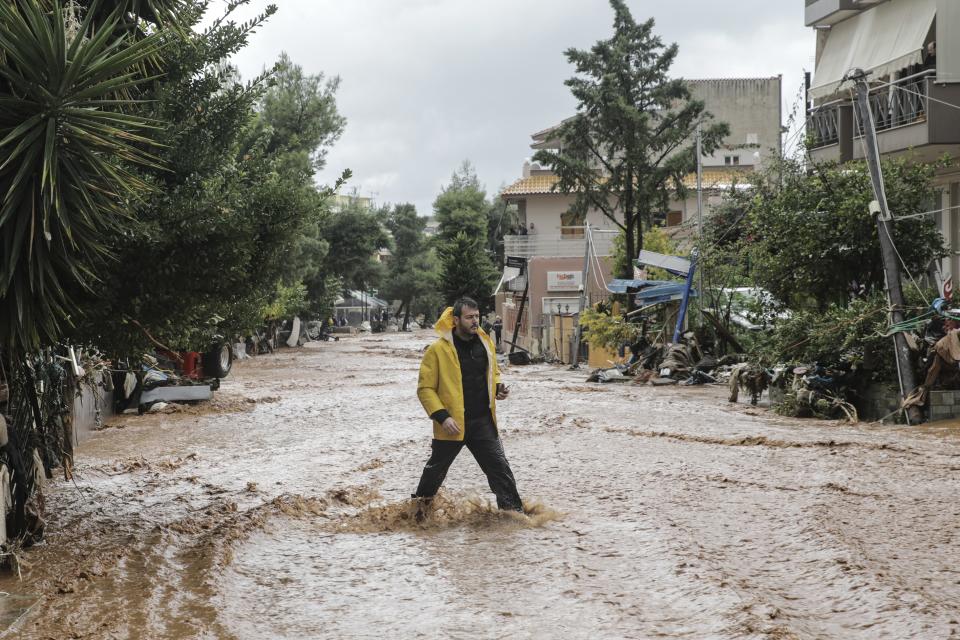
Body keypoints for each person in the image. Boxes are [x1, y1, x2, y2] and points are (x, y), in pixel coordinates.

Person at [413, 297, 524, 513]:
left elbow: (492, 372)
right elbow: (425, 389)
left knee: (500, 469)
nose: (475, 321)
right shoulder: (437, 350)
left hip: (482, 421)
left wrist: (497, 388)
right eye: (469, 317)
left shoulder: (486, 343)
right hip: (452, 424)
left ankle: (514, 517)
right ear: (456, 320)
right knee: (434, 473)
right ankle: (417, 514)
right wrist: (443, 417)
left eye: (477, 316)